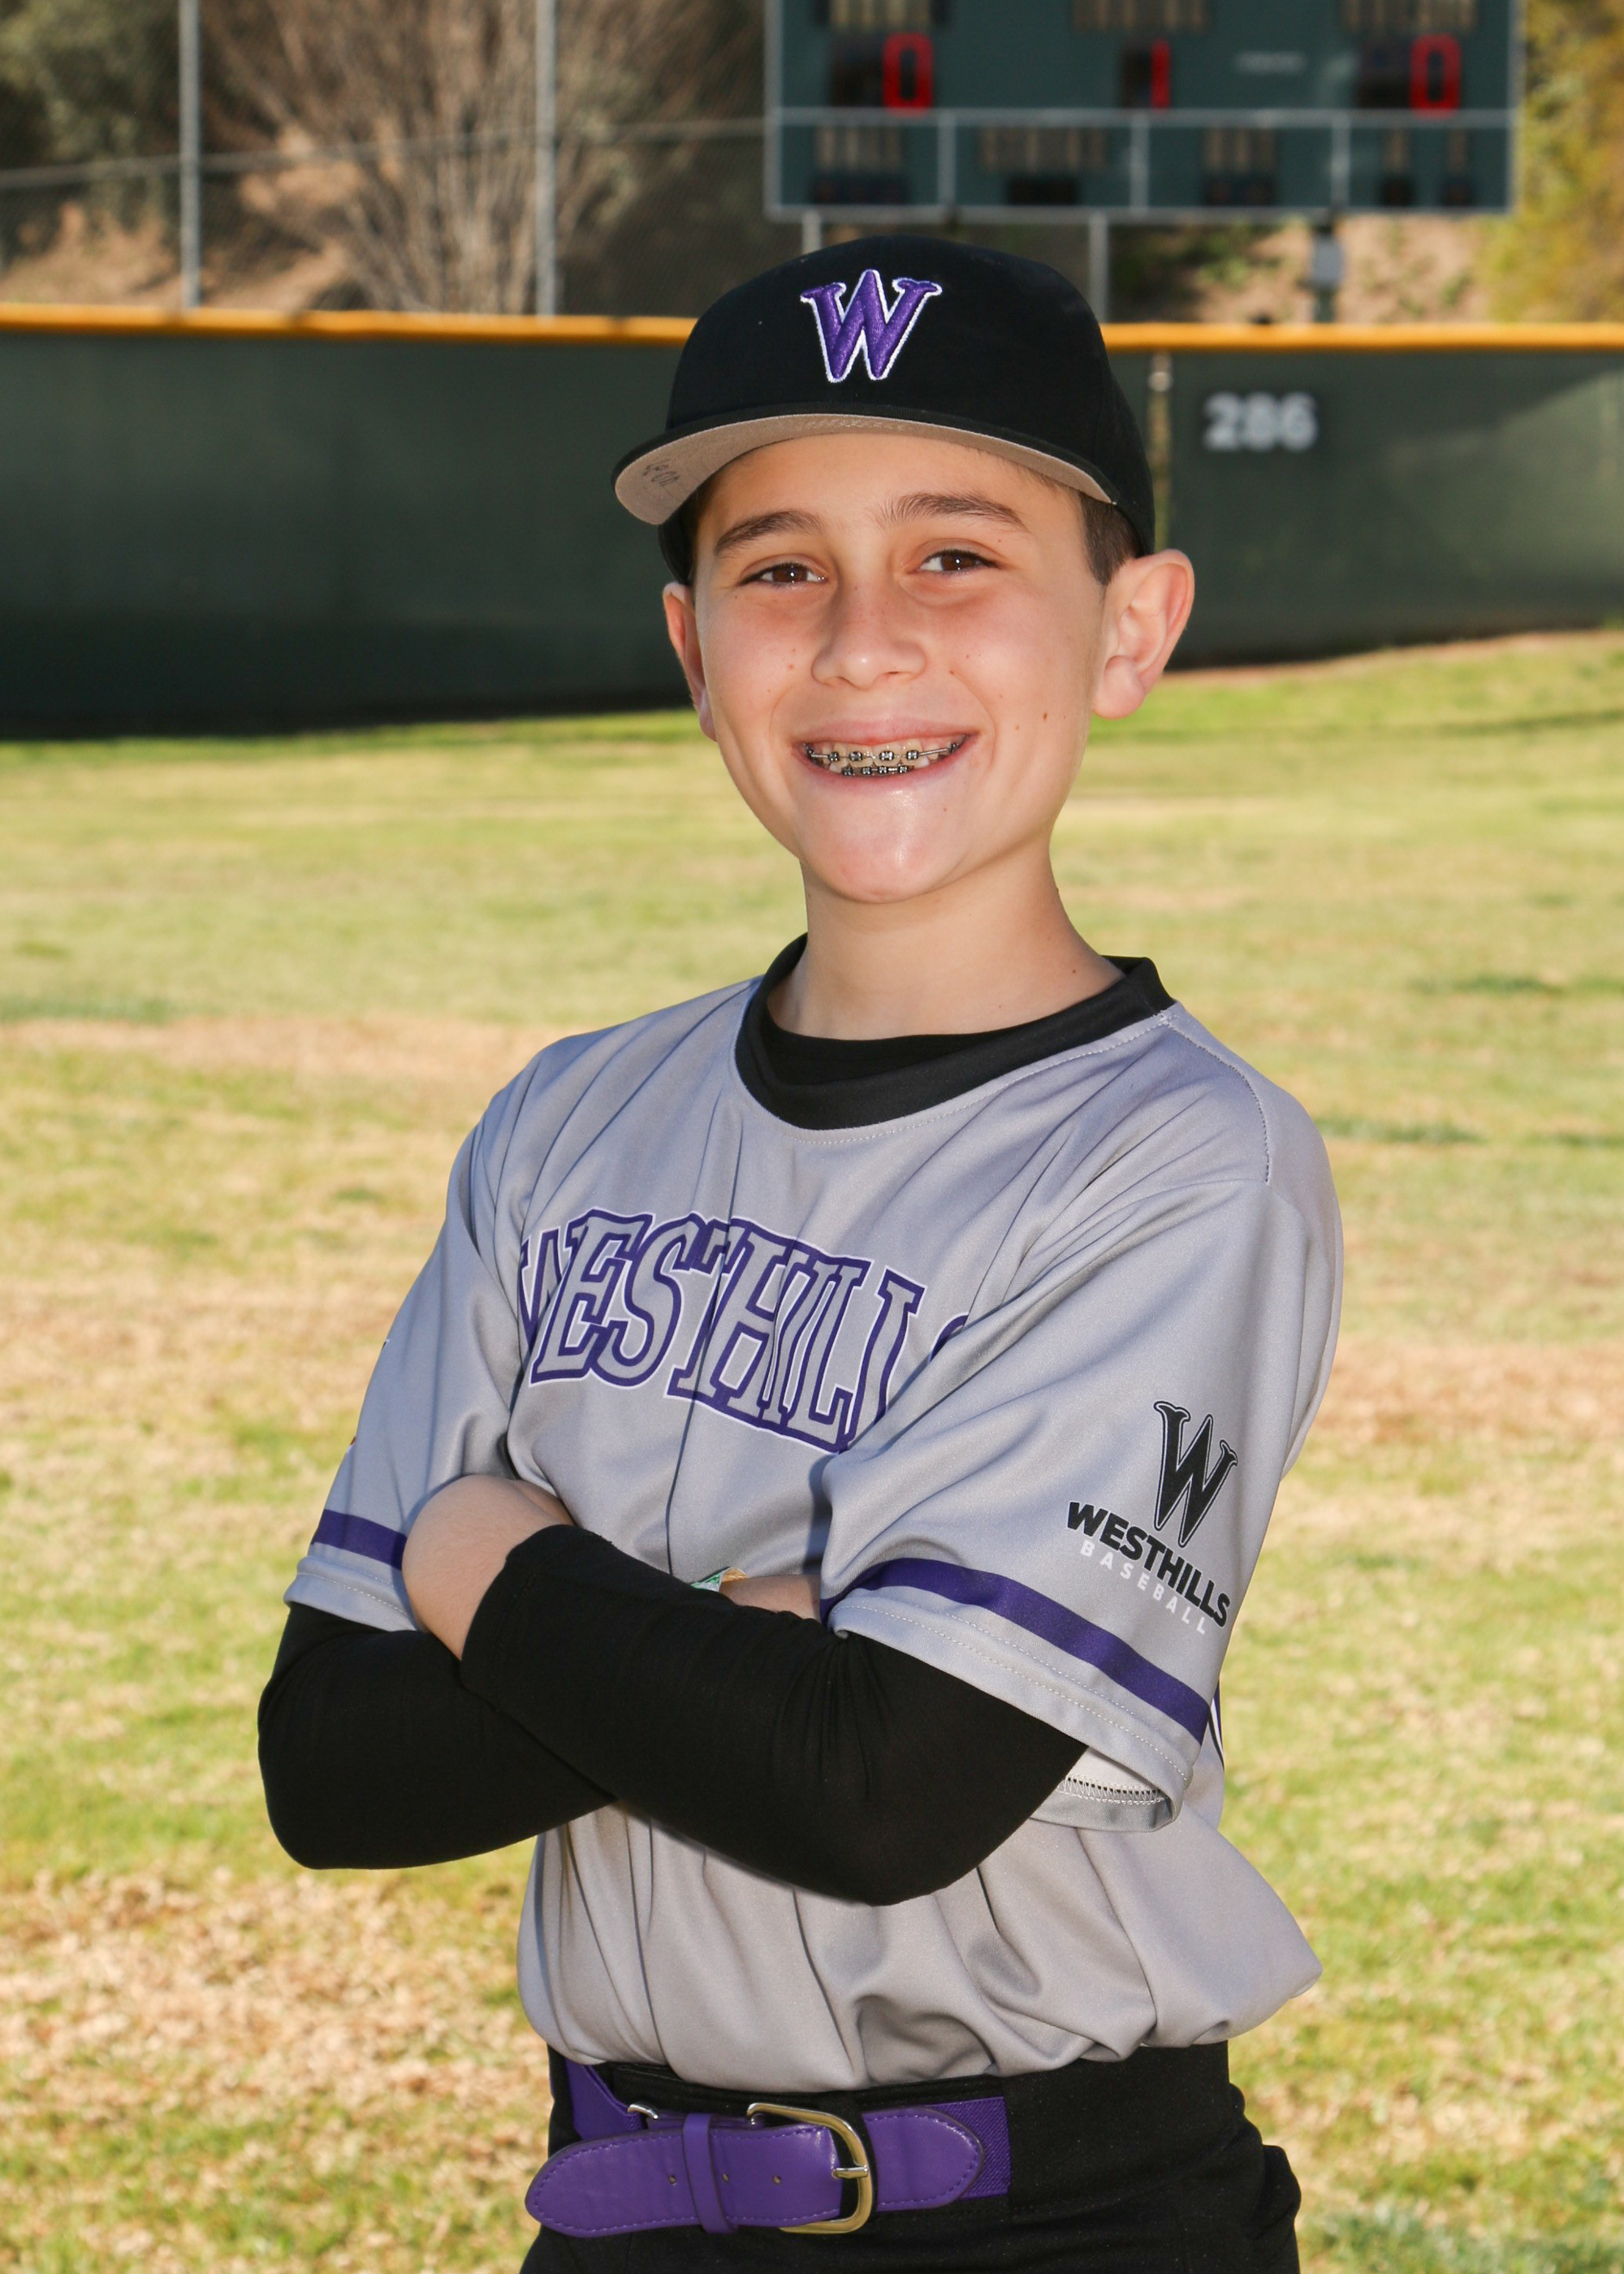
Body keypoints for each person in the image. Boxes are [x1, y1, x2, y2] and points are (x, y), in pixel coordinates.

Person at [260, 236, 1341, 2271]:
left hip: (1049, 2214)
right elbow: (332, 1762)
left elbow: (882, 1783)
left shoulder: (1183, 1161)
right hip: (614, 2211)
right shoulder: (566, 1125)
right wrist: (759, 1621)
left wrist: (489, 1561)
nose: (860, 642)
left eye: (956, 555)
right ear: (694, 647)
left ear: (1130, 627)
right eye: (779, 568)